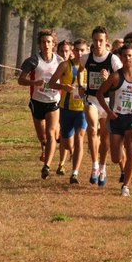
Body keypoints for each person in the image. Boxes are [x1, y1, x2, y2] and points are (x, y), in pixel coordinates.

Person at [97, 43, 132, 196]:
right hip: (116, 118)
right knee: (115, 157)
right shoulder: (115, 77)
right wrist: (108, 111)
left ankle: (125, 185)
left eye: (130, 55)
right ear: (121, 57)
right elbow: (100, 94)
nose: (127, 58)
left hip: (131, 118)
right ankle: (123, 163)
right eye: (124, 56)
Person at [77, 26, 122, 186]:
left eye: (101, 40)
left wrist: (109, 77)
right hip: (92, 99)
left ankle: (102, 168)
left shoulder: (113, 60)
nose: (98, 43)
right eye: (95, 40)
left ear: (106, 41)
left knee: (105, 139)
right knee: (91, 128)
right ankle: (94, 166)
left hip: (109, 103)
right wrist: (80, 85)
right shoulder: (86, 58)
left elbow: (121, 81)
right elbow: (80, 71)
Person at [18, 29, 63, 179]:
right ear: (40, 44)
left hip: (53, 101)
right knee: (42, 136)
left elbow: (68, 77)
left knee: (51, 134)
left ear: (54, 44)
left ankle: (47, 166)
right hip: (37, 102)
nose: (46, 44)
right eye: (43, 42)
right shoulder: (33, 61)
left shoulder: (60, 61)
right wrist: (34, 82)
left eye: (49, 42)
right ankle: (43, 149)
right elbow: (20, 80)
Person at [48, 39, 88, 184]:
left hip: (83, 110)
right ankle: (67, 155)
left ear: (87, 50)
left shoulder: (90, 67)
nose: (79, 53)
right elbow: (51, 83)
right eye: (76, 50)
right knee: (67, 144)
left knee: (79, 139)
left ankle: (75, 173)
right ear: (72, 51)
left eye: (82, 50)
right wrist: (63, 86)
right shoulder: (65, 65)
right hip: (66, 109)